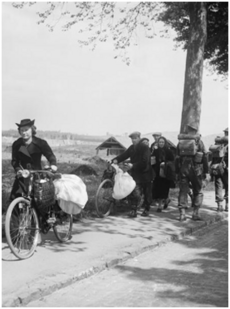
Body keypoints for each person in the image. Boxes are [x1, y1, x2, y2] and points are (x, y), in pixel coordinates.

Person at [10, 119, 57, 202]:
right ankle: (15, 214)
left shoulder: (41, 143)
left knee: (40, 200)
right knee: (15, 198)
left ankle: (39, 214)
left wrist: (53, 164)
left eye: (26, 130)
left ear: (32, 130)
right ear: (19, 132)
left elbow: (50, 155)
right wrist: (18, 170)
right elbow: (14, 161)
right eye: (22, 130)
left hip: (37, 175)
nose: (24, 132)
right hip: (23, 175)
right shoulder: (17, 144)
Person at [112, 132, 152, 217]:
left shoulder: (145, 148)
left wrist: (133, 165)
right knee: (135, 191)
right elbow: (124, 155)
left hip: (146, 173)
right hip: (136, 173)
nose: (133, 140)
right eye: (132, 139)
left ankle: (147, 208)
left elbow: (145, 161)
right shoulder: (131, 148)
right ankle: (134, 210)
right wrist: (115, 160)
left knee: (147, 192)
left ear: (139, 138)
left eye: (135, 138)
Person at [176, 124, 210, 221]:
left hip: (183, 169)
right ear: (195, 131)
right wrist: (206, 172)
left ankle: (182, 214)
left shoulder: (181, 142)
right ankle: (195, 213)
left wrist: (177, 171)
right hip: (196, 169)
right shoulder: (199, 141)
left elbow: (177, 158)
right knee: (198, 191)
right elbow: (204, 157)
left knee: (183, 191)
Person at [151, 136, 174, 212]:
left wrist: (166, 163)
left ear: (165, 143)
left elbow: (172, 161)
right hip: (157, 172)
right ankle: (160, 205)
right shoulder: (156, 151)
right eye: (160, 142)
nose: (161, 143)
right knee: (158, 188)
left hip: (165, 172)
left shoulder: (168, 151)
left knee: (165, 188)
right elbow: (152, 160)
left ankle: (166, 199)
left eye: (162, 142)